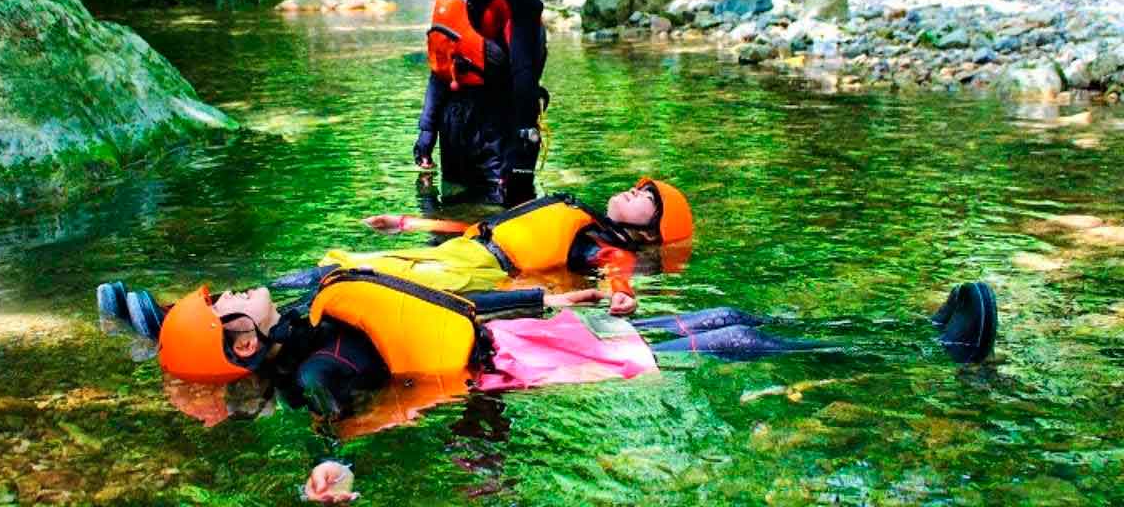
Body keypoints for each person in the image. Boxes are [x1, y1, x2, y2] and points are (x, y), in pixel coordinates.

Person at [136, 273, 998, 502]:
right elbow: (333, 419)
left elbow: (439, 306)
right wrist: (332, 473)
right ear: (239, 340)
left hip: (525, 332)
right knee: (736, 343)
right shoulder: (313, 367)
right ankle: (934, 358)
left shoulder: (305, 324)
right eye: (225, 302)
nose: (237, 288)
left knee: (728, 315)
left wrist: (559, 297)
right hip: (523, 366)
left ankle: (905, 333)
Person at [302, 177, 693, 315]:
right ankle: (280, 295)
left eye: (647, 199)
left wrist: (624, 295)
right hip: (464, 251)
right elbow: (484, 228)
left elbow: (616, 269)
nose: (635, 190)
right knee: (353, 262)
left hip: (482, 269)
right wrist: (405, 223)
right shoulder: (581, 216)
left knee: (368, 275)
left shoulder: (604, 244)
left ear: (649, 233)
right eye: (641, 187)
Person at [416, 0, 547, 207]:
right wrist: (427, 130)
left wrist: (523, 145)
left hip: (500, 128)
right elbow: (441, 71)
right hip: (455, 130)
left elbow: (525, 72)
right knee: (452, 217)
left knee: (499, 220)